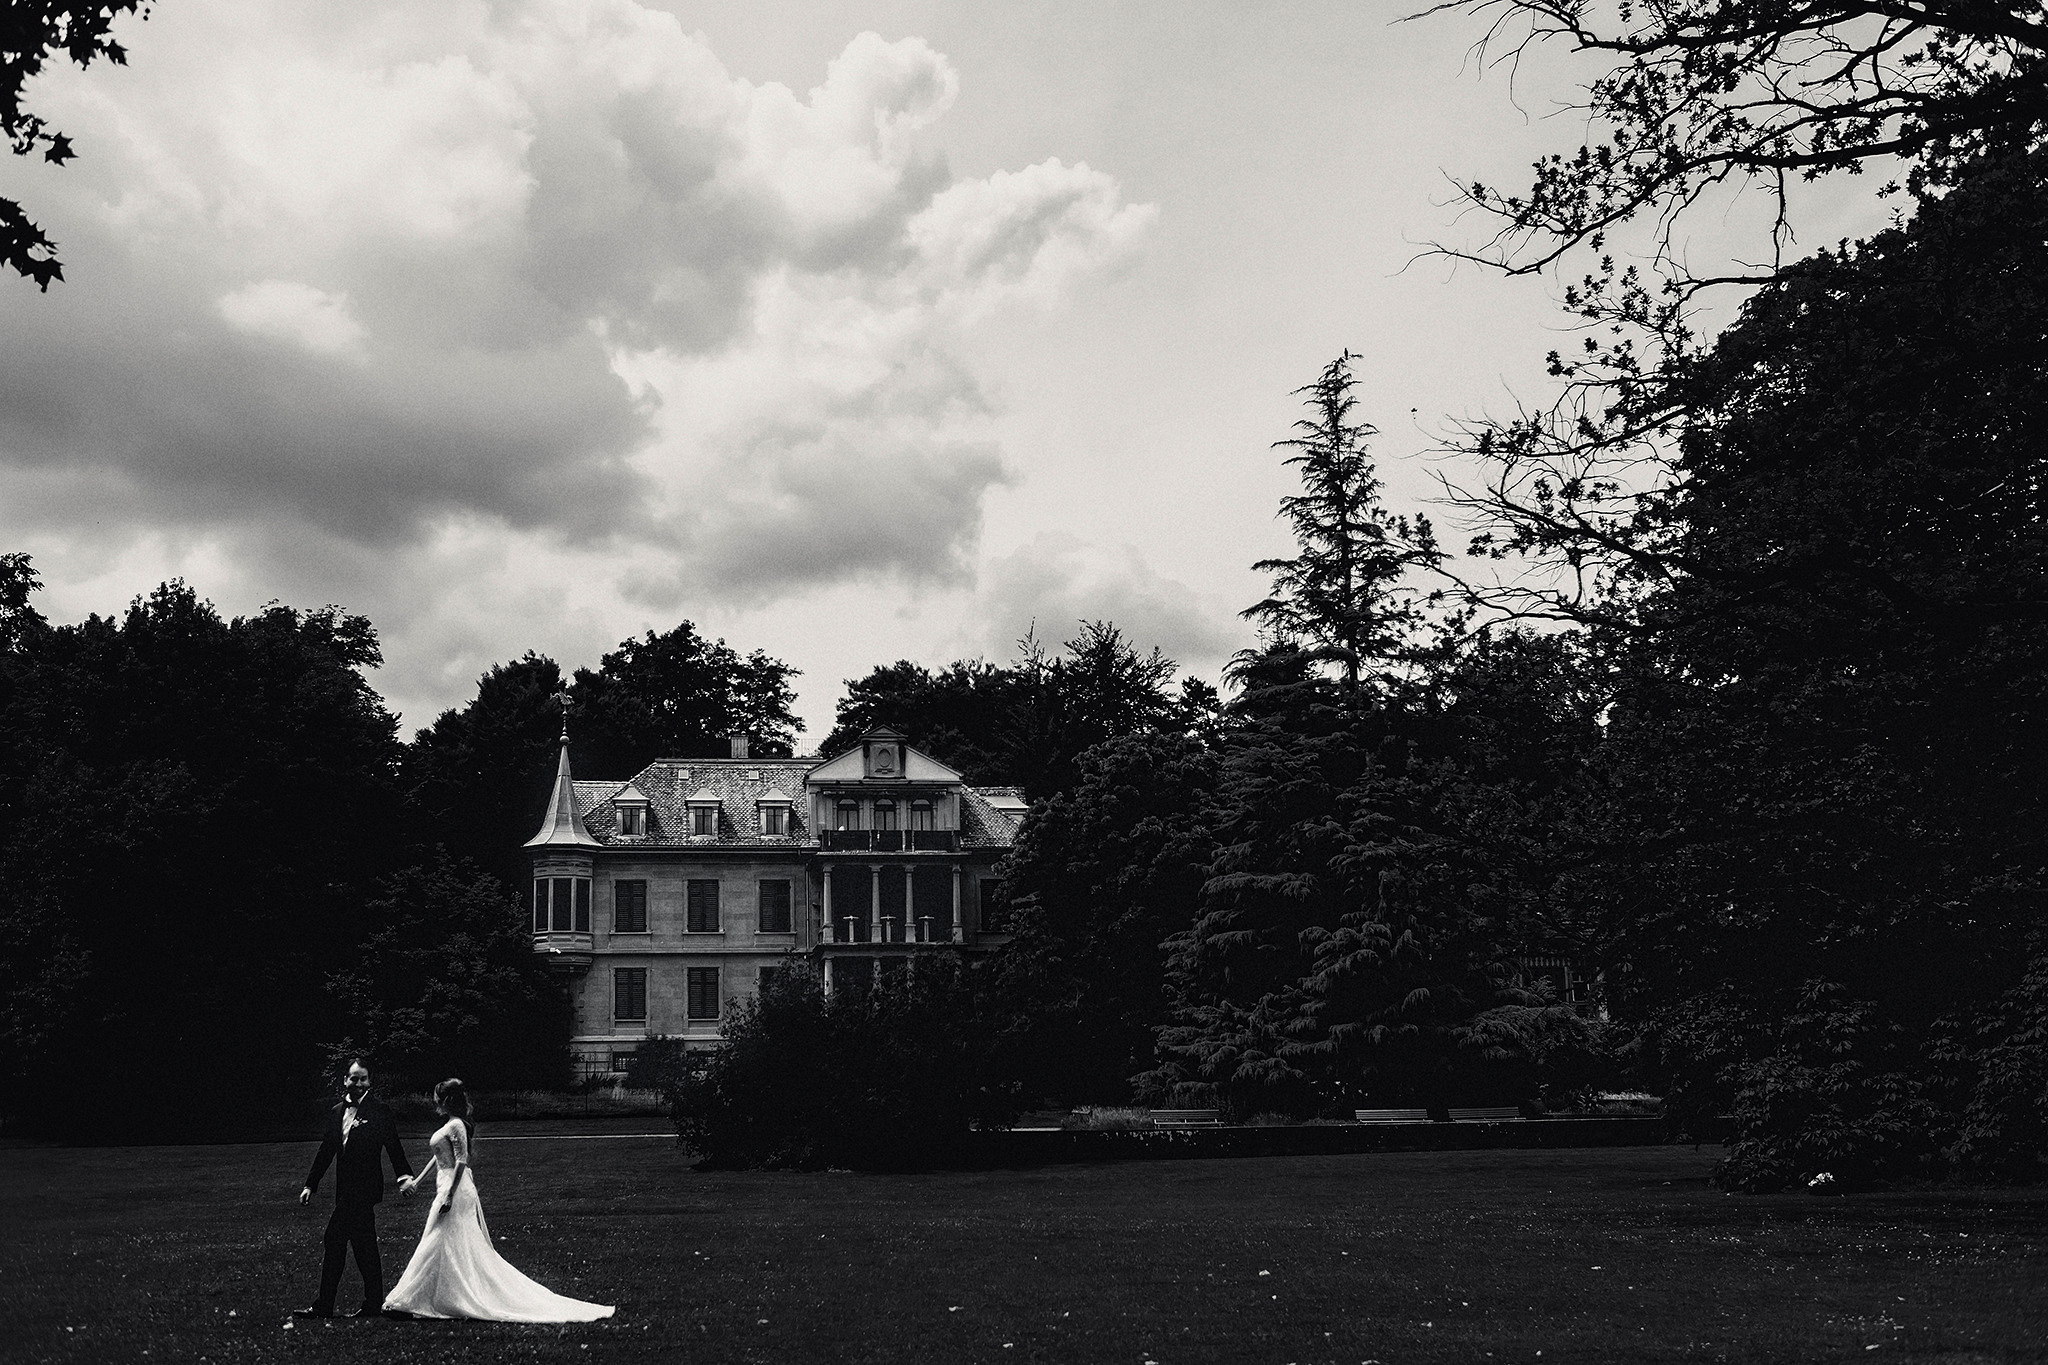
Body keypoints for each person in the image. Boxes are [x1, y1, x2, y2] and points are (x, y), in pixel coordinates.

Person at [381, 1078, 614, 1322]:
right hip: (446, 1184)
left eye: (438, 1097)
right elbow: (439, 1155)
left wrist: (449, 1195)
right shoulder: (449, 1125)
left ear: (447, 1100)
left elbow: (462, 1159)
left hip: (455, 1188)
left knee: (437, 1238)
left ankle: (408, 1299)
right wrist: (417, 1181)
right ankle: (426, 1298)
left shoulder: (457, 1125)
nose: (435, 1102)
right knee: (443, 1241)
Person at [295, 1060, 415, 1319]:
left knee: (335, 1239)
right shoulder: (337, 1110)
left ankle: (325, 1305)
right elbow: (326, 1150)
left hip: (365, 1191)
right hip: (345, 1191)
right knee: (363, 1247)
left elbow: (393, 1146)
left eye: (363, 1079)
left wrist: (404, 1175)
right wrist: (310, 1184)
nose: (358, 1084)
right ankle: (370, 1303)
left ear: (370, 1082)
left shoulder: (379, 1110)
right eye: (354, 1079)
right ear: (345, 1081)